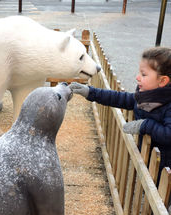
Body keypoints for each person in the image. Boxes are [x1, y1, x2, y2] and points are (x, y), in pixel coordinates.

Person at [69, 46, 171, 184]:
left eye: (144, 74)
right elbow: (119, 98)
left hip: (165, 167)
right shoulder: (145, 96)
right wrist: (90, 92)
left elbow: (168, 134)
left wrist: (145, 125)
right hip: (152, 161)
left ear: (163, 81)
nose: (137, 77)